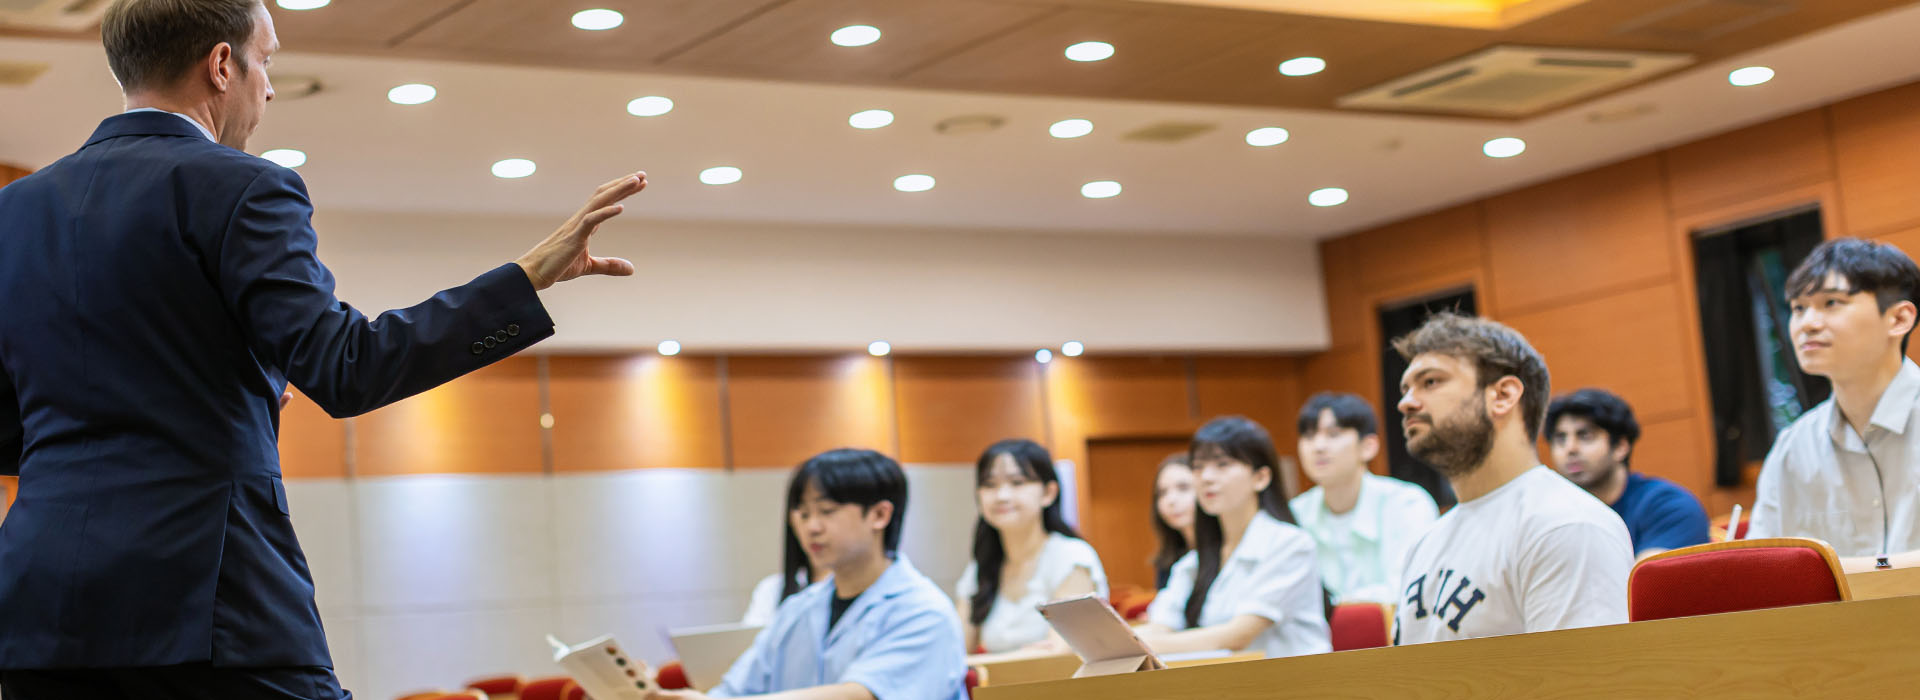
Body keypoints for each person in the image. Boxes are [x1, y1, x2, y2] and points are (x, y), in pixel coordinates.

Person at [0, 1, 644, 696]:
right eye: (266, 61)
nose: (269, 88)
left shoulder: (15, 210)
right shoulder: (241, 185)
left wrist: (196, 405)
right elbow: (348, 368)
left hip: (38, 616)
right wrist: (526, 277)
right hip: (210, 603)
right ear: (222, 65)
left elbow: (14, 428)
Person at [1390, 313, 1632, 645]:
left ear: (1503, 395)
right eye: (1405, 389)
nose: (1406, 403)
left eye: (1430, 382)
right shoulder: (1424, 543)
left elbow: (1584, 674)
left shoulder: (1567, 525)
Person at [654, 449, 966, 700]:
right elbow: (736, 690)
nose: (811, 527)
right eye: (803, 514)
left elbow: (860, 695)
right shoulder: (798, 609)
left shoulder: (924, 611)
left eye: (826, 511)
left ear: (880, 514)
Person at [1750, 238, 1920, 572]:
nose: (1808, 324)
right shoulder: (1792, 448)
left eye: (1831, 302)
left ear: (1899, 319)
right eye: (1798, 308)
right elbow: (1759, 571)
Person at [1139, 417, 1331, 658]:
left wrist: (1145, 645)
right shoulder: (1195, 561)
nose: (1206, 477)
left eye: (1222, 464)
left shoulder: (1291, 544)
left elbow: (1237, 635)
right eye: (1198, 467)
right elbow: (1161, 623)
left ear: (1260, 478)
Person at [956, 439, 1107, 653]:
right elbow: (956, 653)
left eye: (1017, 482)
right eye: (989, 485)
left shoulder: (1071, 557)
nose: (1002, 496)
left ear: (1048, 493)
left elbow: (1060, 653)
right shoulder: (978, 569)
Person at [1288, 392, 1438, 604]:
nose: (1318, 446)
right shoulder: (1295, 513)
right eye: (1309, 436)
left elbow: (1408, 591)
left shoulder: (1407, 504)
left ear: (1368, 446)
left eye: (1333, 434)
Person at [1546, 388, 1709, 559]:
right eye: (1560, 439)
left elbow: (1644, 576)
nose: (1570, 449)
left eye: (1585, 436)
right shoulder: (1551, 515)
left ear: (1620, 447)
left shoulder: (1670, 506)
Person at [742, 517, 825, 626]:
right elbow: (752, 634)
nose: (813, 528)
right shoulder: (772, 589)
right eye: (804, 515)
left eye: (827, 511)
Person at [1150, 452, 1196, 590]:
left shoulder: (1224, 553)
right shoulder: (1168, 560)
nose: (1171, 500)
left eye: (1183, 488)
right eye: (1162, 493)